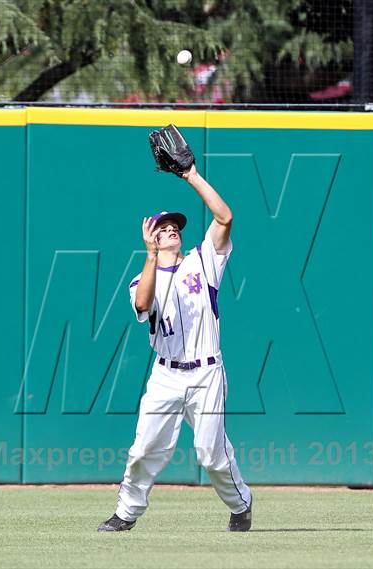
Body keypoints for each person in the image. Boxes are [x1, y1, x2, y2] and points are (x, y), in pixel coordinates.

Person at [98, 164, 252, 532]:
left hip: (206, 373)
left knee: (211, 456)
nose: (171, 230)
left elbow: (225, 216)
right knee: (143, 450)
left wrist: (191, 175)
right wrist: (151, 256)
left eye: (175, 227)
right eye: (162, 227)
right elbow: (143, 303)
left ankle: (241, 504)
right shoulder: (141, 278)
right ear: (150, 236)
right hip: (166, 375)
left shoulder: (204, 261)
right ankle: (125, 514)